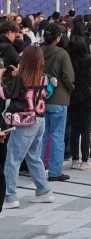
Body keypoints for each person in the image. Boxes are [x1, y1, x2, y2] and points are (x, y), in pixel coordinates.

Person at [2, 46, 54, 209]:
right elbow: (47, 93)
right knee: (33, 156)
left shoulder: (21, 79)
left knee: (13, 158)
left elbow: (4, 94)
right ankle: (43, 190)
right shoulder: (44, 78)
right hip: (39, 120)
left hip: (24, 123)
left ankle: (9, 196)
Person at [40, 22, 75, 182]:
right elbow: (69, 77)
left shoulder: (37, 52)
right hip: (59, 98)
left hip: (40, 99)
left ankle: (39, 168)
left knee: (42, 135)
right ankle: (55, 171)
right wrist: (71, 87)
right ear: (58, 38)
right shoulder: (62, 54)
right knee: (57, 136)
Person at [66, 33, 91, 171]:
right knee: (86, 129)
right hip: (88, 96)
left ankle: (75, 159)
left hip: (72, 96)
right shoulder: (89, 59)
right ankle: (85, 160)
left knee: (74, 129)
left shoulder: (69, 60)